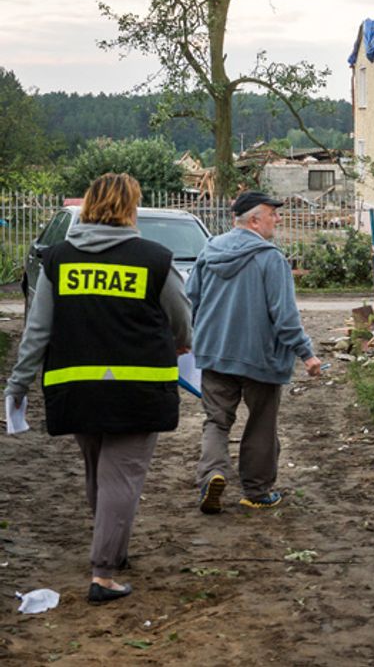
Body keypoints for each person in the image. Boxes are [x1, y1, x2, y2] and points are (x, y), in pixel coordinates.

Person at [5, 173, 192, 604]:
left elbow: (37, 330)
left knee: (99, 473)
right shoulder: (155, 259)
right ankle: (104, 573)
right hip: (138, 390)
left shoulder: (57, 259)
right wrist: (183, 342)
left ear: (88, 205)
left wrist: (18, 382)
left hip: (76, 387)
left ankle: (114, 550)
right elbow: (182, 317)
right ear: (130, 208)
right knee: (121, 478)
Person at [188, 191, 322, 514]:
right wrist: (307, 354)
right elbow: (285, 316)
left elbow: (191, 296)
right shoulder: (270, 259)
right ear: (253, 220)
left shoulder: (209, 250)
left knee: (216, 420)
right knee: (262, 422)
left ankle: (213, 474)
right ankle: (257, 491)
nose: (277, 219)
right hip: (260, 357)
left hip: (215, 352)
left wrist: (200, 336)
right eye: (272, 214)